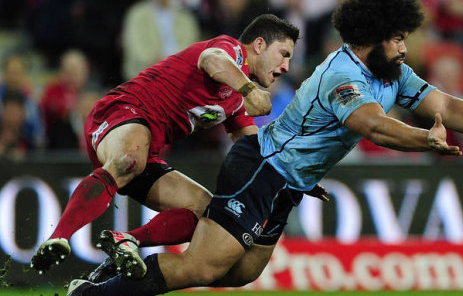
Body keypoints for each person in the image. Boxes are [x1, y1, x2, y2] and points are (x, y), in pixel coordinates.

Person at [52, 0, 463, 296]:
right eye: (398, 37)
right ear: (373, 36)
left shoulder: (393, 74)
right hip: (263, 167)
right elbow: (370, 125)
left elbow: (443, 103)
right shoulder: (342, 75)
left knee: (243, 272)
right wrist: (423, 139)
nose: (406, 48)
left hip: (289, 182)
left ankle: (110, 270)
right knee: (205, 267)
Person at [31, 14, 301, 276]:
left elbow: (257, 149)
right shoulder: (230, 50)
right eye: (284, 53)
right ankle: (58, 238)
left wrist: (298, 173)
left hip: (148, 148)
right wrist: (249, 89)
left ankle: (125, 240)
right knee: (128, 160)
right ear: (259, 45)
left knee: (206, 214)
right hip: (123, 113)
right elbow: (211, 59)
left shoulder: (236, 103)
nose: (286, 66)